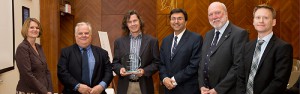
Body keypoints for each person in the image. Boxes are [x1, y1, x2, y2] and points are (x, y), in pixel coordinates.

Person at [236, 4, 293, 94]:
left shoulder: (283, 48)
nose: (261, 21)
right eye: (258, 17)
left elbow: (279, 81)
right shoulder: (247, 46)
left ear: (273, 22)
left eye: (266, 18)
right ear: (253, 21)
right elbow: (240, 77)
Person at [198, 1, 249, 94]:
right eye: (210, 14)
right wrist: (202, 85)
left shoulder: (239, 34)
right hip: (206, 90)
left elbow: (238, 66)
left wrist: (218, 89)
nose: (214, 17)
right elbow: (202, 62)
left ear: (226, 14)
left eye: (217, 13)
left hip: (227, 91)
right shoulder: (208, 35)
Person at [112, 10, 160, 94]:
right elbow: (115, 63)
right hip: (125, 86)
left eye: (135, 21)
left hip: (144, 86)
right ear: (126, 25)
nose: (133, 24)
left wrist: (144, 71)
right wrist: (120, 69)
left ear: (140, 22)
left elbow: (157, 63)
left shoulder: (152, 41)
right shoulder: (119, 42)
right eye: (129, 22)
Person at [57, 22, 113, 94]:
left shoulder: (102, 53)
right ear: (75, 35)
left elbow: (109, 72)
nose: (84, 35)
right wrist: (78, 86)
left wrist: (101, 86)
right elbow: (62, 73)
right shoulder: (66, 52)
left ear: (91, 35)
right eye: (80, 33)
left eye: (86, 33)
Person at [159, 8, 203, 94]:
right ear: (170, 21)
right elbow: (161, 63)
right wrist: (165, 78)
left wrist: (174, 80)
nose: (176, 21)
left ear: (186, 21)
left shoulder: (196, 39)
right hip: (168, 89)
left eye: (180, 18)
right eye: (173, 18)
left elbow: (194, 65)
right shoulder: (165, 40)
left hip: (187, 89)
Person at [15, 18, 53, 94]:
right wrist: (44, 91)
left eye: (37, 28)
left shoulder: (39, 47)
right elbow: (27, 74)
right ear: (26, 29)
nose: (35, 29)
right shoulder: (22, 48)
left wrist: (50, 90)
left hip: (43, 90)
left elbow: (46, 71)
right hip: (28, 91)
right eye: (32, 27)